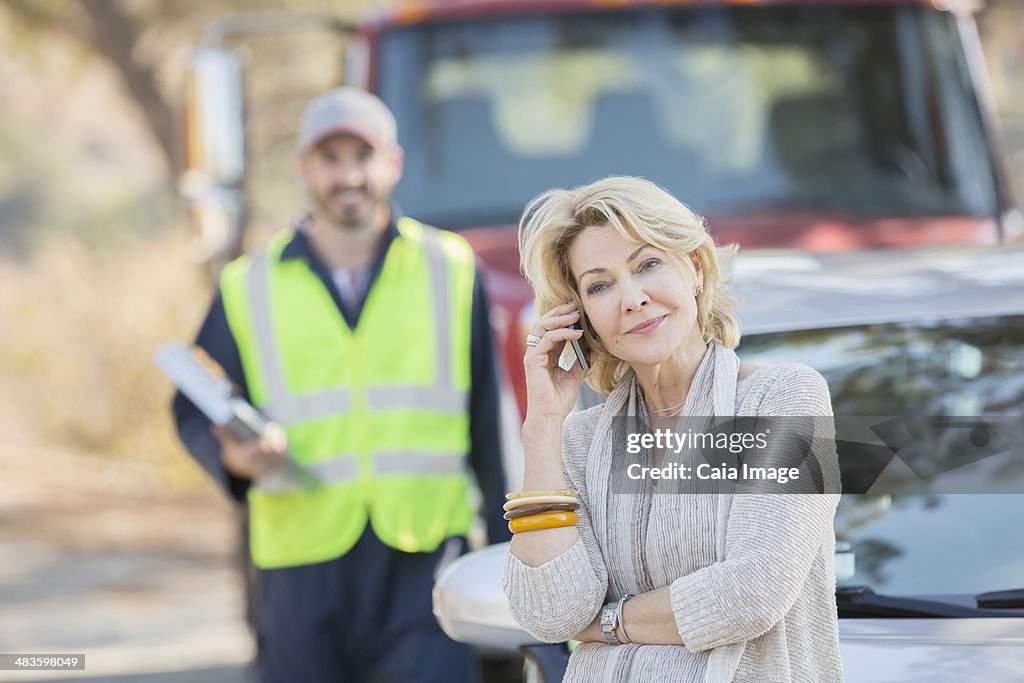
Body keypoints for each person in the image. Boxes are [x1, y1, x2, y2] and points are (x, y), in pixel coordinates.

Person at [172, 86, 510, 683]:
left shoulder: (452, 269)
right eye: (331, 159)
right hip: (301, 573)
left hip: (424, 561)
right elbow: (191, 407)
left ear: (393, 163)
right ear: (305, 168)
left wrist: (512, 550)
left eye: (364, 155)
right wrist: (234, 458)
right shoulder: (246, 285)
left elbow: (489, 421)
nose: (349, 175)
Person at [502, 176, 842, 681]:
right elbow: (551, 614)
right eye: (599, 285)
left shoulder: (783, 400)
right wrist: (544, 425)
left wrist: (609, 621)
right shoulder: (578, 441)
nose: (632, 298)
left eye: (648, 264)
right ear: (583, 319)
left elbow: (753, 592)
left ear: (697, 268)